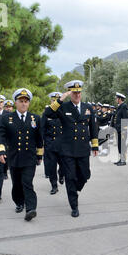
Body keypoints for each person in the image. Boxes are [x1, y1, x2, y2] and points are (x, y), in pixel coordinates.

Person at [44, 80, 98, 218]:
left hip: (83, 148)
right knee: (70, 177)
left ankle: (75, 189)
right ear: (70, 93)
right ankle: (74, 205)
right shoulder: (63, 107)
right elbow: (48, 114)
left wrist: (95, 145)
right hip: (67, 150)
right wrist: (61, 99)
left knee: (85, 175)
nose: (77, 95)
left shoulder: (88, 108)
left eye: (79, 92)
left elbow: (93, 128)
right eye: (74, 92)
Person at [0, 88, 43, 222]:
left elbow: (39, 138)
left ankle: (31, 209)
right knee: (17, 184)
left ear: (29, 103)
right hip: (14, 157)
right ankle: (19, 202)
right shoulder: (6, 118)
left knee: (27, 182)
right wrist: (1, 151)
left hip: (29, 157)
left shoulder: (35, 118)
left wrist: (39, 155)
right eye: (21, 101)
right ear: (16, 103)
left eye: (26, 101)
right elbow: (0, 135)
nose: (23, 104)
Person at [41, 92, 65, 195]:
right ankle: (54, 186)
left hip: (62, 145)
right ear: (51, 101)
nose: (55, 102)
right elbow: (42, 129)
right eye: (53, 100)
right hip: (50, 144)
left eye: (57, 100)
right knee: (51, 167)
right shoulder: (46, 113)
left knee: (64, 164)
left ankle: (61, 173)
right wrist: (42, 144)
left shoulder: (64, 112)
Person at [113, 93, 128, 166]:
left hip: (122, 129)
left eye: (117, 98)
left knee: (122, 145)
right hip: (118, 129)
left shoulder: (124, 106)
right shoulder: (119, 107)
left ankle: (123, 160)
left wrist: (124, 129)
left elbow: (125, 118)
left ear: (120, 99)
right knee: (119, 144)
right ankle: (120, 159)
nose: (116, 99)